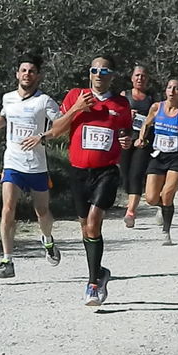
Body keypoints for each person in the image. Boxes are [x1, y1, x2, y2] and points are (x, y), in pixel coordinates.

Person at [45, 55, 132, 306]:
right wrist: (76, 109)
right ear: (89, 73)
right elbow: (57, 129)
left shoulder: (120, 104)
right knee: (85, 227)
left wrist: (126, 140)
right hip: (79, 172)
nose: (98, 74)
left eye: (104, 71)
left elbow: (125, 131)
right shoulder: (75, 95)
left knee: (94, 223)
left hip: (106, 171)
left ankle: (93, 284)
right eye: (94, 70)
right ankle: (100, 272)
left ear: (111, 76)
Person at [0, 53, 62, 278]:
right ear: (17, 74)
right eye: (23, 70)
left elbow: (61, 126)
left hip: (36, 166)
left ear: (38, 76)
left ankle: (47, 240)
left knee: (42, 212)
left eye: (31, 71)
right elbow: (5, 117)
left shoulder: (45, 101)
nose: (27, 74)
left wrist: (42, 137)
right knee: (7, 209)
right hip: (12, 163)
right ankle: (7, 261)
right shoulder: (8, 98)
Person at [137, 79, 178, 245]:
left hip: (177, 157)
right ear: (165, 90)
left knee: (167, 194)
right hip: (158, 155)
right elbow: (146, 123)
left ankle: (166, 232)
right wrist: (141, 138)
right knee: (151, 198)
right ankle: (164, 208)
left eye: (176, 89)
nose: (172, 91)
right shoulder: (157, 108)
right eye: (169, 88)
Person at [119, 65, 154, 228]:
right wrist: (126, 115)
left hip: (142, 142)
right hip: (125, 139)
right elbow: (114, 116)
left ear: (147, 79)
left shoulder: (151, 99)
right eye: (137, 75)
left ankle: (131, 212)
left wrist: (146, 137)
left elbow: (156, 119)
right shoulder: (123, 96)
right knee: (125, 176)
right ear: (132, 78)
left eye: (143, 76)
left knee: (136, 175)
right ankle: (142, 199)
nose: (140, 78)